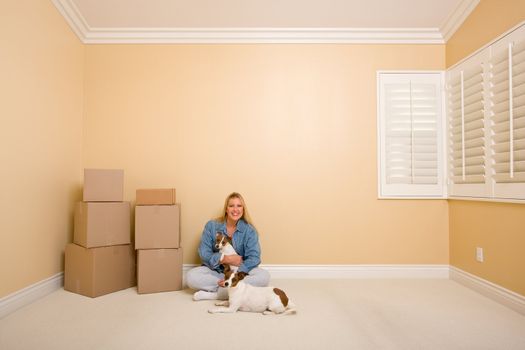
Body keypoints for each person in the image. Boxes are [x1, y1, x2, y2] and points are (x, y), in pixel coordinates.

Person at [187, 192, 270, 301]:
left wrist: (236, 274)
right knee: (191, 277)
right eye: (231, 206)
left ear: (243, 209)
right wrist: (226, 259)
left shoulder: (249, 230)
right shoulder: (211, 226)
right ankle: (232, 289)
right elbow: (204, 253)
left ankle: (216, 295)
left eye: (239, 206)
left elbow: (254, 257)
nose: (235, 209)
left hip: (239, 273)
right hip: (217, 272)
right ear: (226, 209)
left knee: (264, 277)